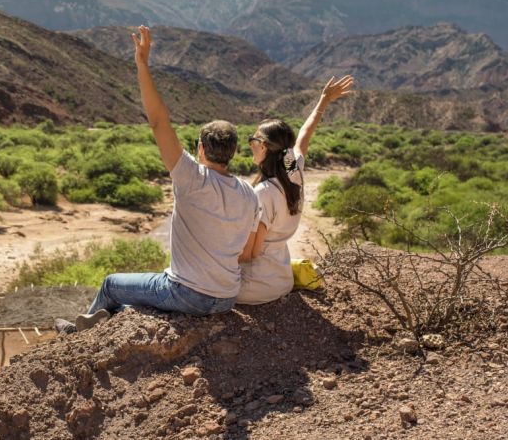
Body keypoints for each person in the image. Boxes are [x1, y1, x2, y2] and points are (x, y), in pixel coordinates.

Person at [56, 26, 261, 334]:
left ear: (200, 148)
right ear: (233, 152)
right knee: (136, 300)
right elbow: (244, 251)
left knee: (111, 285)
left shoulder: (192, 178)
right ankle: (109, 322)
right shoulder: (249, 193)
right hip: (227, 298)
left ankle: (75, 335)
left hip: (189, 294)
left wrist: (142, 63)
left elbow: (158, 121)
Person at [236, 75, 354, 304]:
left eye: (254, 141)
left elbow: (251, 254)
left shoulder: (262, 193)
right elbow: (303, 136)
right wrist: (323, 101)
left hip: (255, 287)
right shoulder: (294, 172)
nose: (251, 145)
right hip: (282, 280)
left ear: (265, 147)